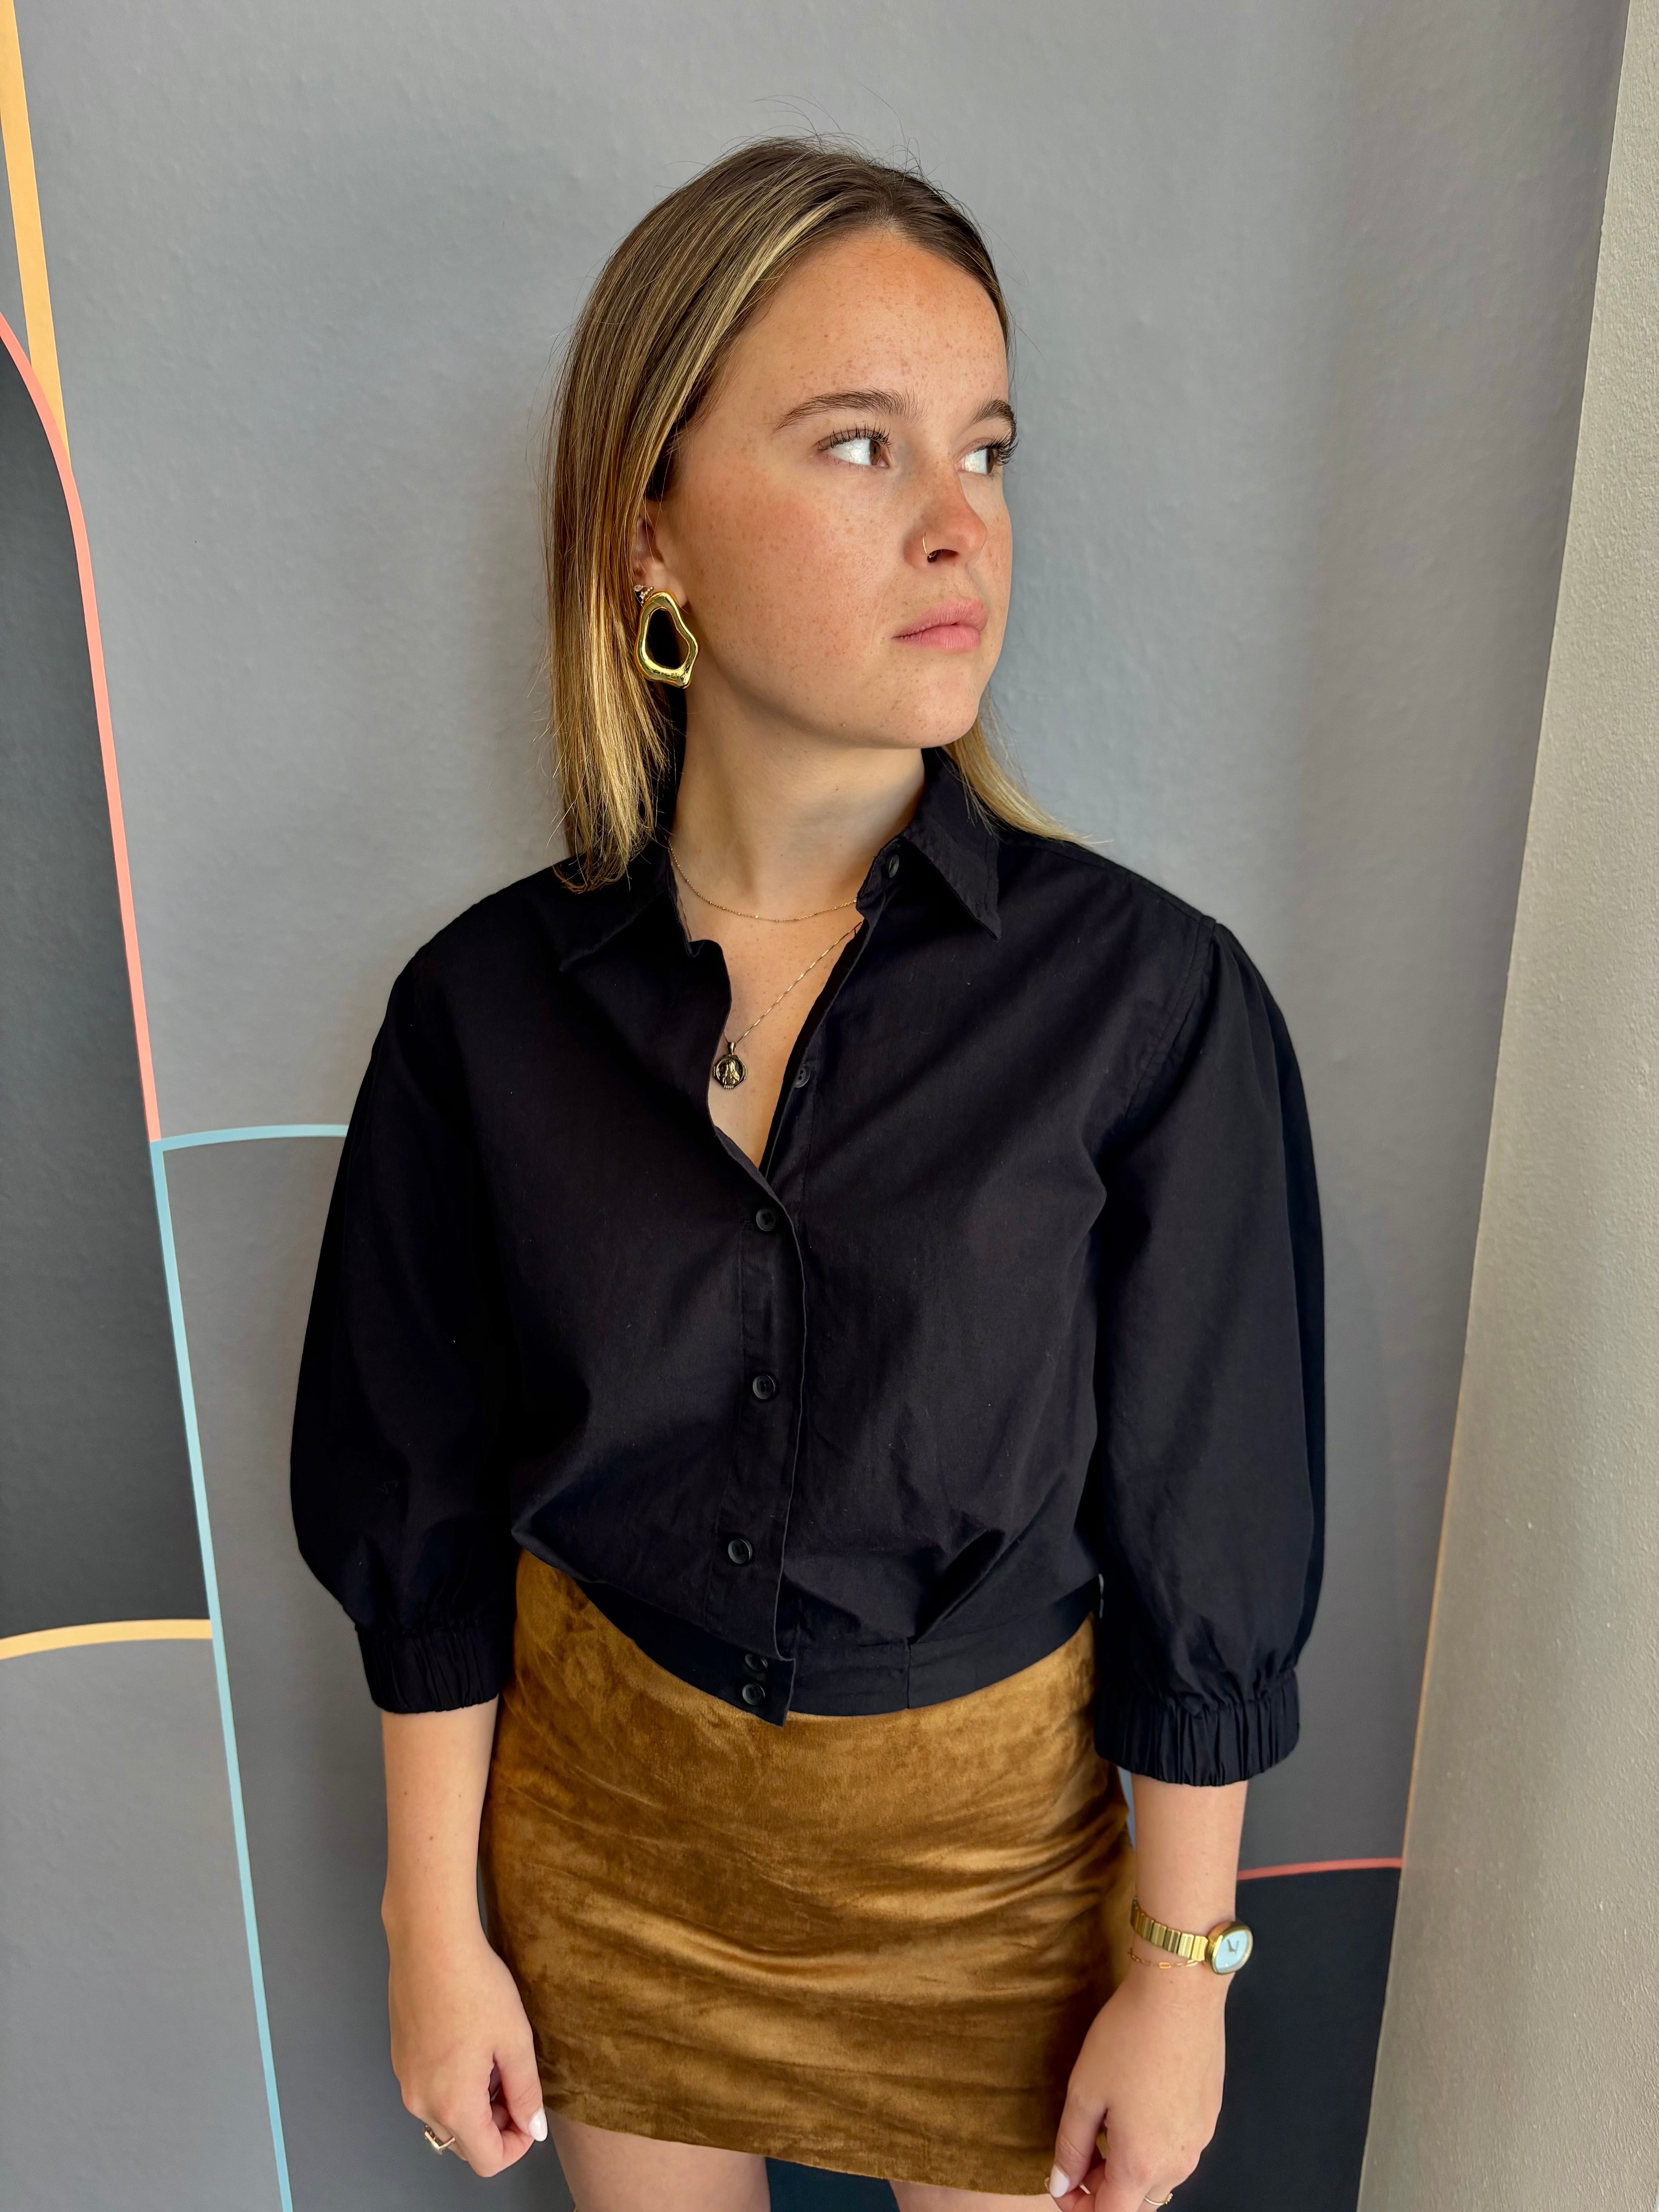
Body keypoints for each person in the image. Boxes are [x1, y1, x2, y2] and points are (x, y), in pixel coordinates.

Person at [290, 136, 1323, 2212]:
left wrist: (1181, 1973)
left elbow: (1202, 1517)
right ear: (649, 530)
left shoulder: (1145, 1003)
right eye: (862, 445)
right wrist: (433, 1921)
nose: (960, 525)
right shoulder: (481, 1015)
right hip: (607, 1854)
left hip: (993, 1901)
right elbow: (423, 1499)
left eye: (988, 451)